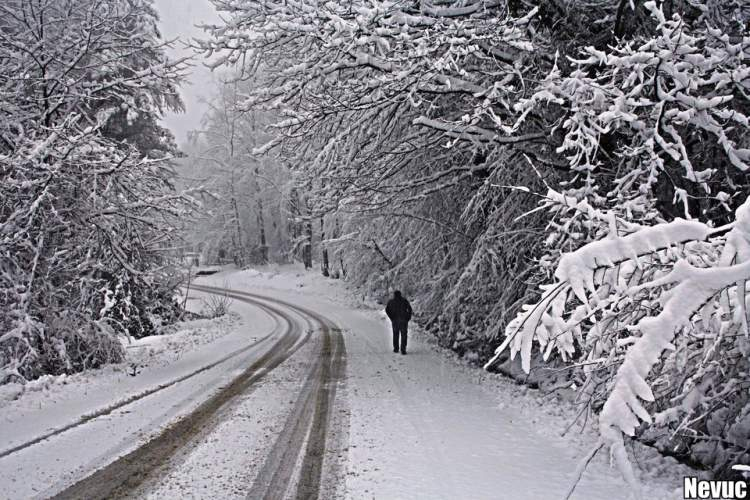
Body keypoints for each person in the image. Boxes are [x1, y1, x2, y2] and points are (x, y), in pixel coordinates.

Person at [385, 290, 413, 355]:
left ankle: (396, 348)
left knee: (395, 334)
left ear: (394, 295)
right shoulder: (404, 301)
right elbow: (410, 309)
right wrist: (408, 318)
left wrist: (391, 317)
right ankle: (403, 349)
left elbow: (387, 310)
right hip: (403, 321)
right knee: (404, 335)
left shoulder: (391, 301)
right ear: (400, 294)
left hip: (395, 321)